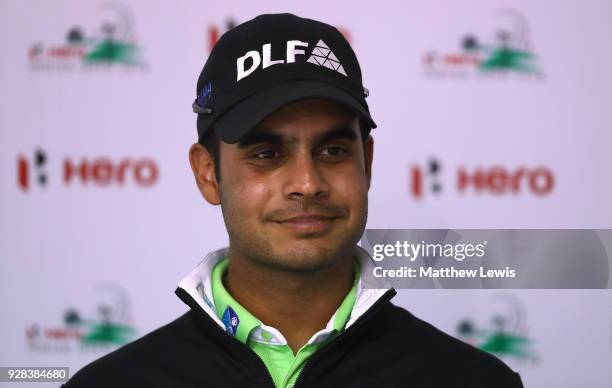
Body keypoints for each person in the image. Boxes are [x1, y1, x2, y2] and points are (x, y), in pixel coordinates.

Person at [63, 13, 524, 388]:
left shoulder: (475, 382)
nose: (307, 182)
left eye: (333, 150)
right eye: (267, 153)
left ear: (367, 160)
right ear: (208, 173)